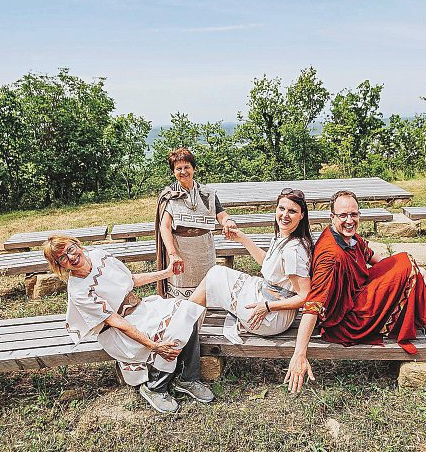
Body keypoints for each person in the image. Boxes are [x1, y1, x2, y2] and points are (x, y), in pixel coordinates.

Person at [285, 190, 426, 393]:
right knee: (405, 263)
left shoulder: (347, 236)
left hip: (358, 295)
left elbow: (372, 256)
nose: (349, 220)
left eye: (354, 214)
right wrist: (299, 353)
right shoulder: (330, 256)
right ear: (332, 217)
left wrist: (410, 273)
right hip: (348, 321)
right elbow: (313, 305)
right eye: (343, 216)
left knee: (405, 264)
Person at [42, 235, 214, 413]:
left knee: (187, 314)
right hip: (118, 331)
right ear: (59, 265)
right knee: (165, 333)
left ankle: (187, 378)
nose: (71, 257)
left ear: (77, 244)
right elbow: (116, 321)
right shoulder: (78, 291)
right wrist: (154, 346)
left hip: (141, 309)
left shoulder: (100, 256)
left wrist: (167, 273)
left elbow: (130, 280)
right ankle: (155, 387)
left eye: (70, 249)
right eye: (62, 257)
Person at [189, 188, 313, 343]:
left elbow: (305, 296)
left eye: (292, 211)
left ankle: (180, 332)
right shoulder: (286, 237)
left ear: (302, 215)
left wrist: (267, 307)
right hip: (269, 300)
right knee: (215, 275)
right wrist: (242, 238)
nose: (285, 215)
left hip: (271, 318)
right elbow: (268, 263)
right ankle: (185, 328)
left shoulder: (293, 251)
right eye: (282, 208)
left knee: (213, 278)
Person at [156, 148, 237, 299]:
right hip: (181, 250)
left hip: (204, 250)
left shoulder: (207, 193)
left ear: (193, 168)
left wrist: (228, 221)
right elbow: (165, 227)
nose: (183, 171)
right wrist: (173, 254)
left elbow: (221, 214)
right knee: (182, 299)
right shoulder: (169, 195)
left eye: (187, 167)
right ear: (173, 171)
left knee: (207, 291)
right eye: (178, 168)